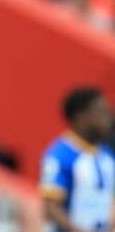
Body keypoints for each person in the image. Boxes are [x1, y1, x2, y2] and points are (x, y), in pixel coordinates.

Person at [40, 87, 114, 232]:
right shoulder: (60, 154)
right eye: (101, 111)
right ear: (81, 116)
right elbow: (50, 207)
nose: (108, 117)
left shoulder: (107, 155)